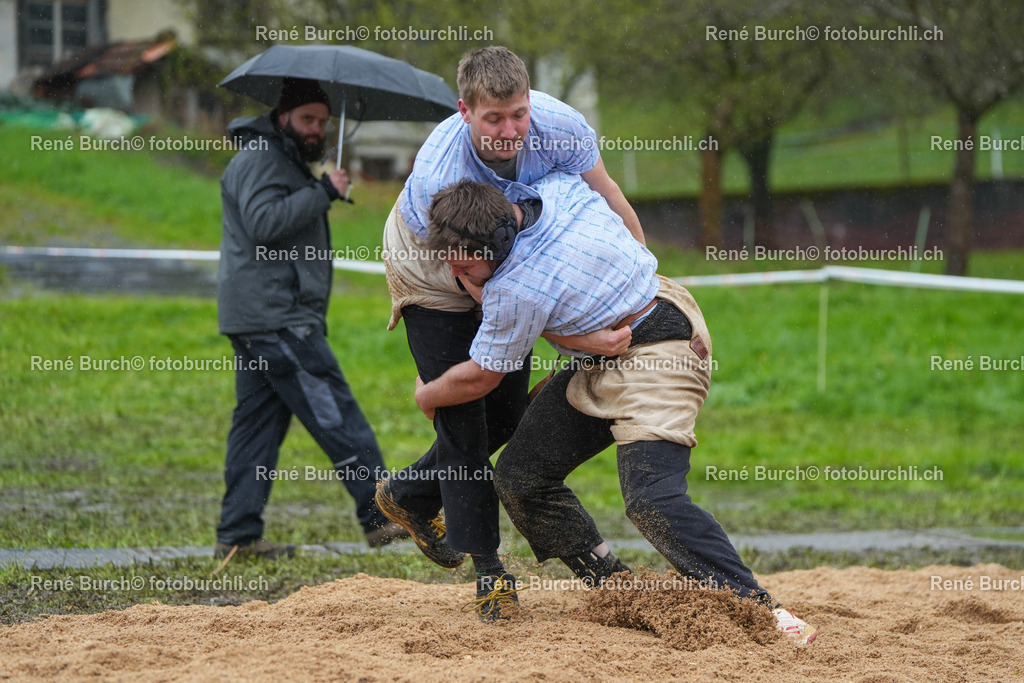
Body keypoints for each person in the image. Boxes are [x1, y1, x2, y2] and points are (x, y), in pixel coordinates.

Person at [414, 175, 817, 644]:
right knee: (521, 477)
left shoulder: (513, 290)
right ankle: (615, 587)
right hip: (609, 347)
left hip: (661, 350)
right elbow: (607, 189)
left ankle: (765, 611)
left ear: (499, 242)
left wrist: (427, 395)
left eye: (463, 264)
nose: (455, 272)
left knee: (652, 500)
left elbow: (481, 377)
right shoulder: (558, 190)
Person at [376, 47, 640, 609]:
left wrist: (642, 276)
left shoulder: (560, 126)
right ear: (464, 111)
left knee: (509, 415)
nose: (508, 131)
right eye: (492, 119)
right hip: (438, 266)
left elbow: (607, 194)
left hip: (509, 262)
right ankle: (489, 572)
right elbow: (488, 295)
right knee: (464, 411)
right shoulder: (439, 176)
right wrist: (574, 339)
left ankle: (408, 494)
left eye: (518, 114)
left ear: (530, 102)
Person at [215, 77, 407, 559]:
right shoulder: (262, 158)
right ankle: (382, 515)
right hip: (278, 319)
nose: (316, 129)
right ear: (282, 116)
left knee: (256, 429)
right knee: (336, 412)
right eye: (307, 119)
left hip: (260, 317)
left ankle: (237, 538)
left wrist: (319, 188)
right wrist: (322, 191)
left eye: (322, 121)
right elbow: (263, 223)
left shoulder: (279, 158)